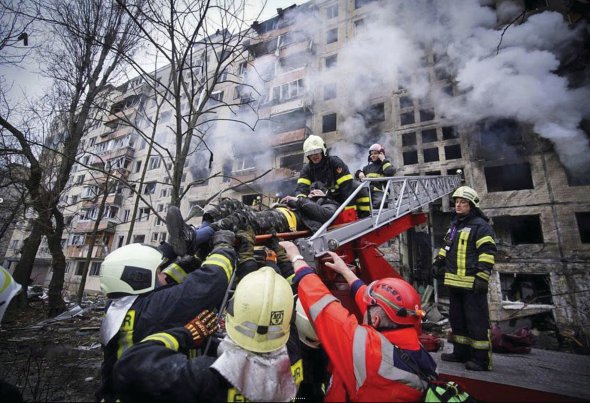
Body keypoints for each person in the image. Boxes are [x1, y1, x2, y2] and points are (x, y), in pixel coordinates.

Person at [112, 267, 300, 402]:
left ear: (232, 310)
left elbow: (131, 363)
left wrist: (185, 334)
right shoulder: (296, 357)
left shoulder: (205, 376)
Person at [280, 240, 437, 401]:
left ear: (375, 320)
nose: (364, 304)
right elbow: (372, 304)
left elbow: (324, 307)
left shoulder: (368, 352)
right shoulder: (410, 341)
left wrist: (296, 257)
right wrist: (345, 271)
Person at [96, 231, 235, 402]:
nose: (164, 275)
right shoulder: (154, 308)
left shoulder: (119, 304)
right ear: (139, 278)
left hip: (124, 389)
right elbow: (211, 281)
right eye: (159, 272)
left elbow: (168, 281)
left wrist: (198, 258)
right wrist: (223, 248)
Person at [167, 181, 340, 257]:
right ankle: (194, 234)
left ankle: (195, 238)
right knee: (230, 204)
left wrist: (299, 200)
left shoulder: (328, 204)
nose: (312, 192)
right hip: (276, 215)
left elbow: (327, 216)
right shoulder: (305, 202)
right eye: (311, 191)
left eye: (317, 191)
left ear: (324, 193)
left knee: (243, 218)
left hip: (288, 222)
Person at [432, 185, 496, 371]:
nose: (458, 205)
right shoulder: (455, 225)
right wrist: (438, 262)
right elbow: (447, 248)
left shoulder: (481, 226)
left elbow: (487, 253)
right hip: (454, 283)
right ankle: (461, 353)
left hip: (472, 284)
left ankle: (481, 360)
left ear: (472, 205)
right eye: (457, 202)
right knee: (458, 321)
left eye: (463, 202)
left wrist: (482, 278)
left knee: (476, 322)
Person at [289, 135, 371, 218]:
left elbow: (346, 188)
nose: (314, 155)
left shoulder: (335, 163)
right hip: (320, 201)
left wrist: (349, 213)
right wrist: (300, 200)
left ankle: (364, 215)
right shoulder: (306, 169)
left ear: (323, 150)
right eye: (310, 153)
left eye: (316, 151)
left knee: (359, 187)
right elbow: (301, 189)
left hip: (339, 197)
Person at [355, 143, 396, 208]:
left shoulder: (385, 165)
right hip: (368, 192)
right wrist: (359, 173)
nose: (372, 155)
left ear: (381, 154)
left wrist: (383, 159)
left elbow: (390, 172)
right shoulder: (367, 168)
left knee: (380, 204)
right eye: (371, 154)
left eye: (375, 153)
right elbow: (357, 178)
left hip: (380, 192)